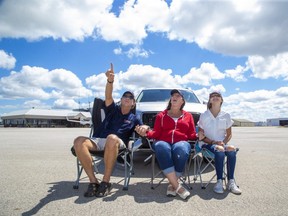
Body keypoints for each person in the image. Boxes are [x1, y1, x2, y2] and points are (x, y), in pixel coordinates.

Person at [73, 63, 149, 198]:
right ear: (121, 100)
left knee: (112, 138)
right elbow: (108, 96)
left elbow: (144, 127)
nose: (127, 98)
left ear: (133, 104)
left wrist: (145, 127)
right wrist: (110, 80)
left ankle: (106, 181)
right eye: (125, 96)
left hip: (117, 143)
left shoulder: (134, 117)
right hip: (98, 140)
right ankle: (93, 182)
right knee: (78, 141)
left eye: (131, 97)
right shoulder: (112, 109)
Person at [143, 89, 197, 200]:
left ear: (182, 101)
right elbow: (156, 133)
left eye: (178, 95)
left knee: (181, 148)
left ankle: (172, 185)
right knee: (161, 146)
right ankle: (177, 186)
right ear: (170, 100)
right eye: (173, 95)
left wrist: (199, 135)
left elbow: (191, 134)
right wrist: (146, 132)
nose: (174, 97)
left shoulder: (188, 116)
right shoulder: (161, 115)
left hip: (181, 142)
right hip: (163, 141)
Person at [197, 91, 242, 195]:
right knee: (220, 149)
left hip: (221, 144)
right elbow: (201, 136)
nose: (215, 97)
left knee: (231, 148)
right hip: (207, 144)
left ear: (221, 100)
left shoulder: (226, 115)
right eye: (212, 96)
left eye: (218, 96)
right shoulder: (204, 115)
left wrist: (223, 142)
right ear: (209, 100)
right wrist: (213, 142)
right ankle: (219, 181)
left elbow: (229, 134)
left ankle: (231, 181)